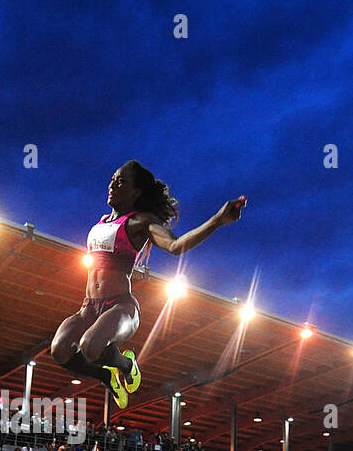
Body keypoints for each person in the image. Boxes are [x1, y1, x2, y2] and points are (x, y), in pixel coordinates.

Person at [51, 160, 244, 410]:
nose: (112, 185)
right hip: (88, 307)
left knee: (90, 346)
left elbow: (176, 246)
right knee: (59, 350)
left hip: (119, 307)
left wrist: (218, 220)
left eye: (121, 181)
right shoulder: (102, 222)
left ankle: (127, 365)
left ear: (136, 192)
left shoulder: (140, 222)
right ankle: (107, 376)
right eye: (112, 179)